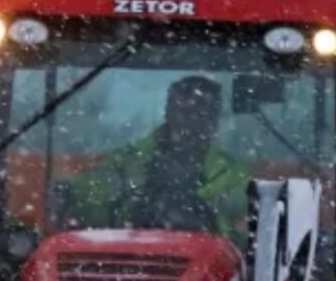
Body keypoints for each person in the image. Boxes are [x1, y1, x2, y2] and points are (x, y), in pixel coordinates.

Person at [60, 75, 249, 236]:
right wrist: (68, 192)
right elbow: (94, 198)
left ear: (213, 119)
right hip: (129, 258)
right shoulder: (127, 161)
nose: (191, 119)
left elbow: (245, 231)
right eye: (184, 109)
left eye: (201, 111)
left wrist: (199, 215)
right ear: (168, 111)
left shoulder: (232, 174)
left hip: (211, 268)